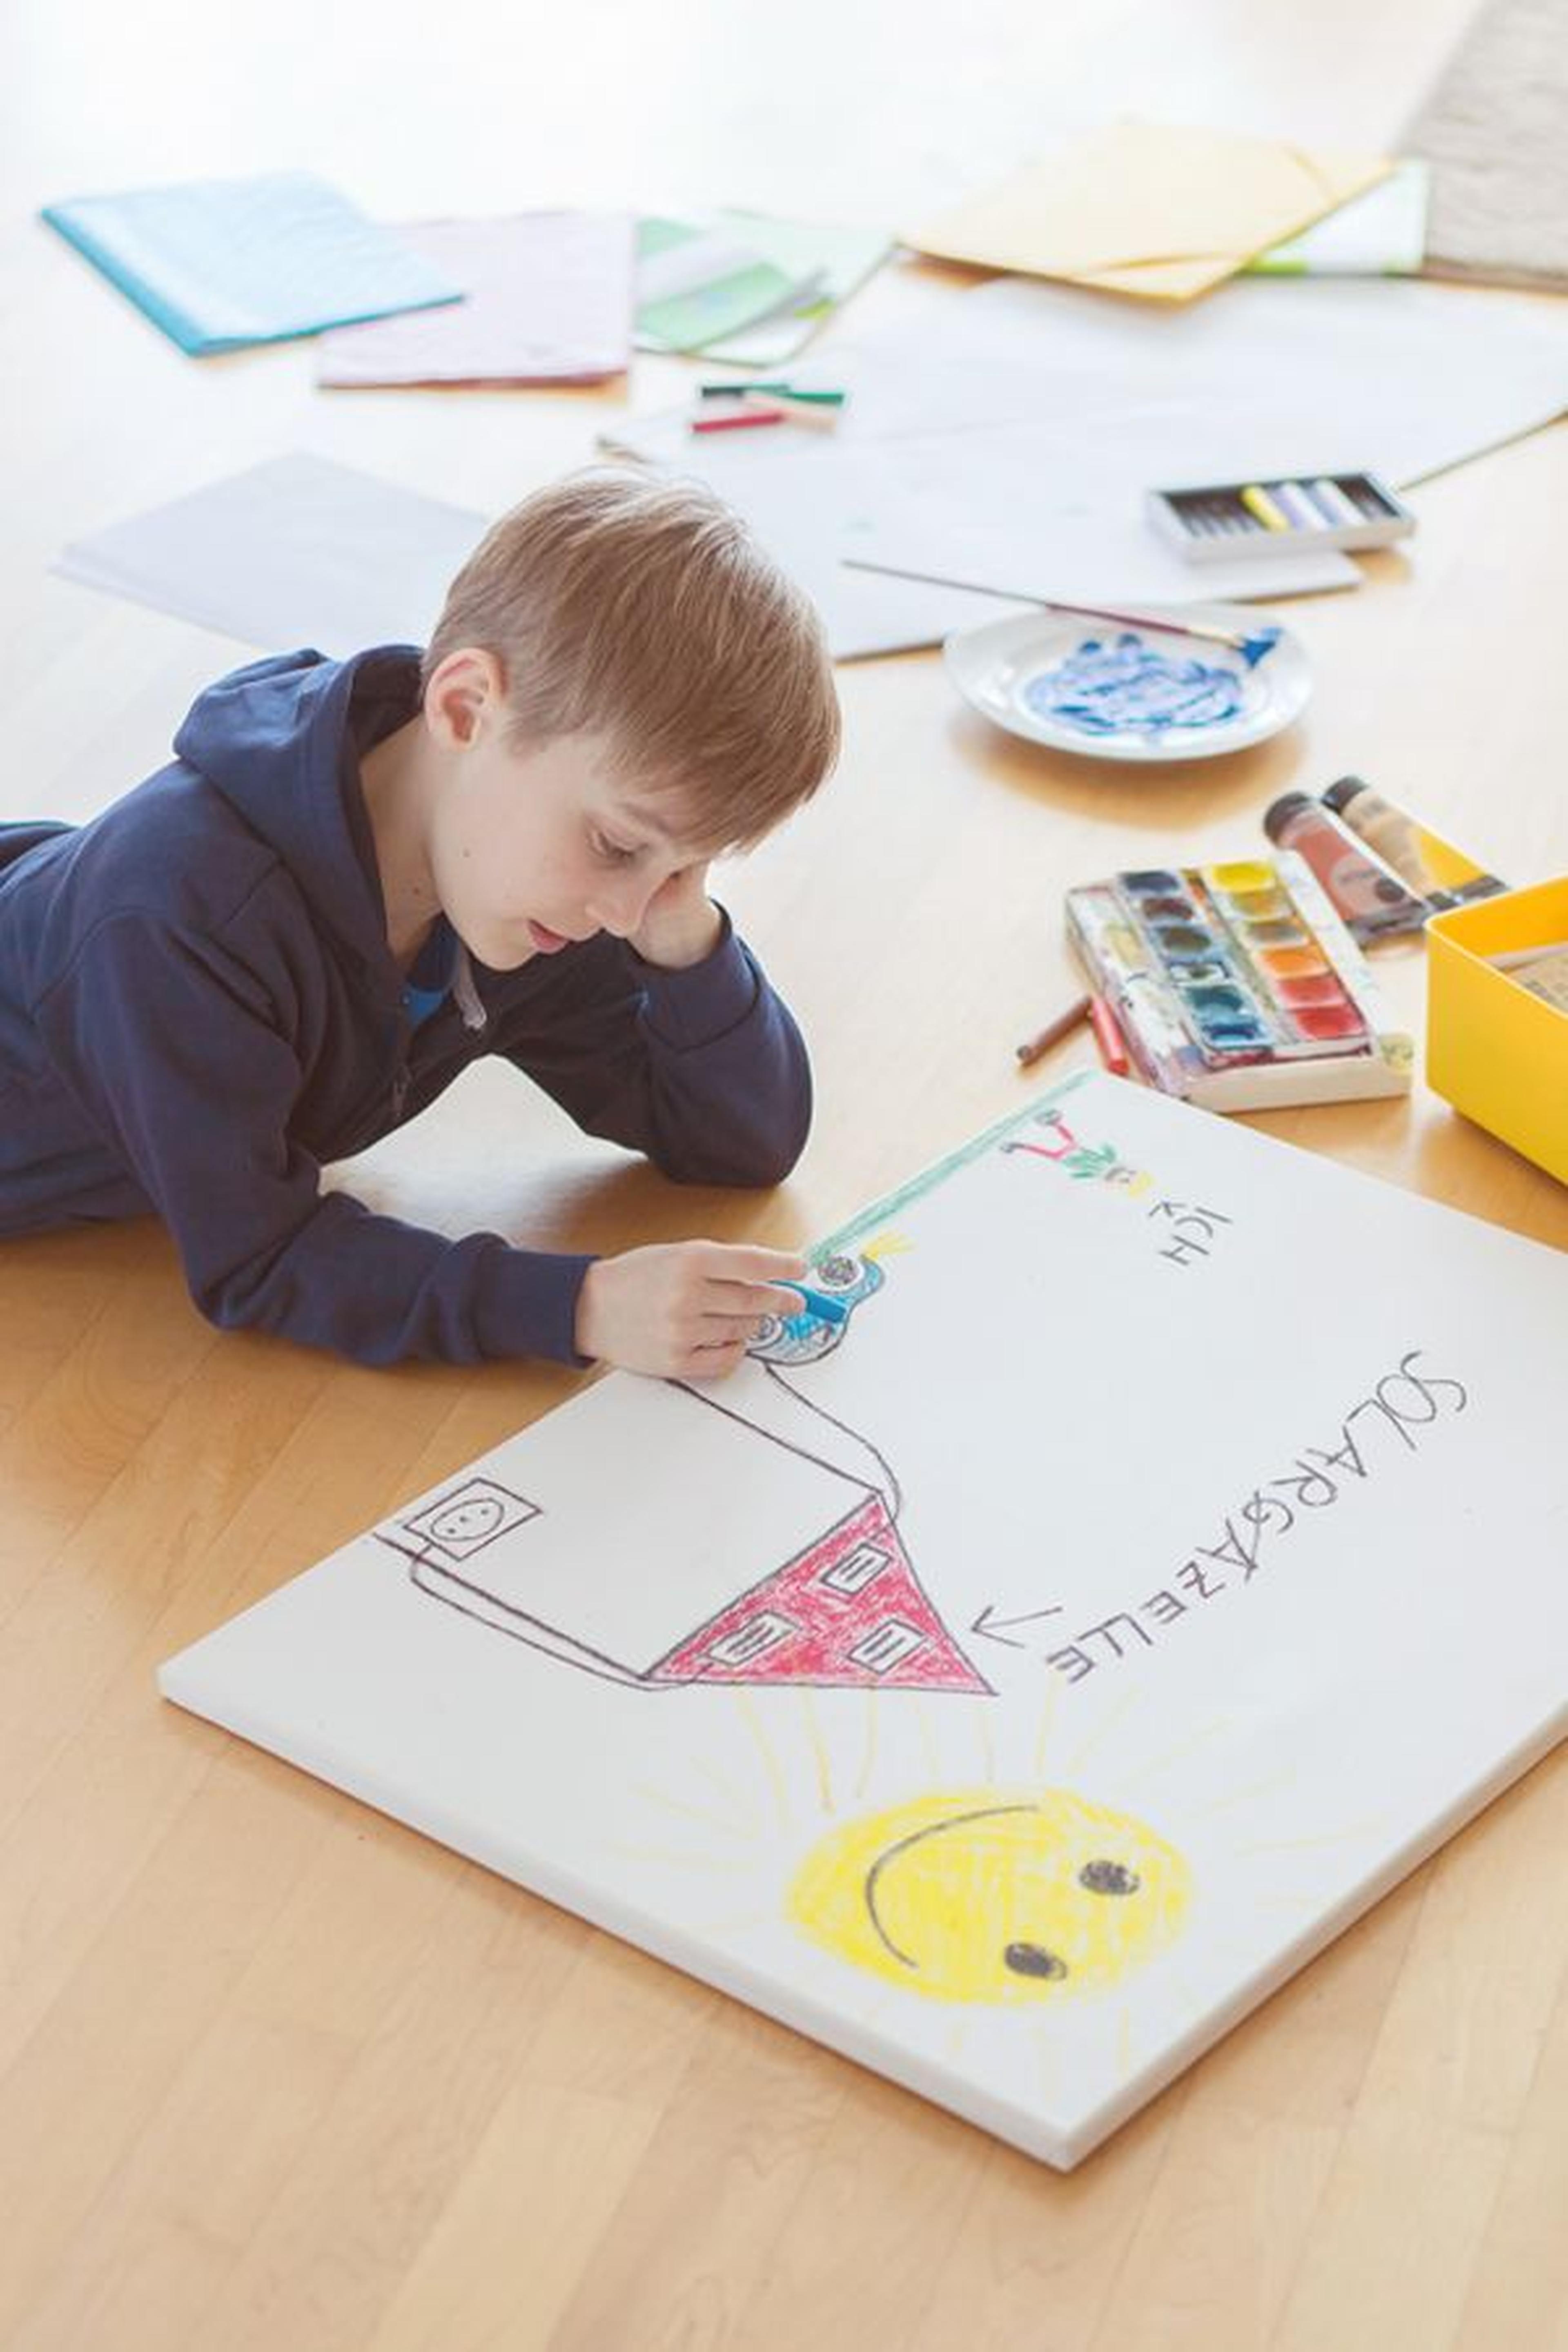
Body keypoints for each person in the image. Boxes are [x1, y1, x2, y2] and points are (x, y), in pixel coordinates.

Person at [0, 467, 841, 1378]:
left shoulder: (521, 887)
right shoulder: (176, 921)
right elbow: (260, 1258)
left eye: (681, 866)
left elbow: (739, 1143)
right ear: (465, 707)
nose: (626, 914)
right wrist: (579, 1305)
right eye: (617, 843)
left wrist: (687, 939)